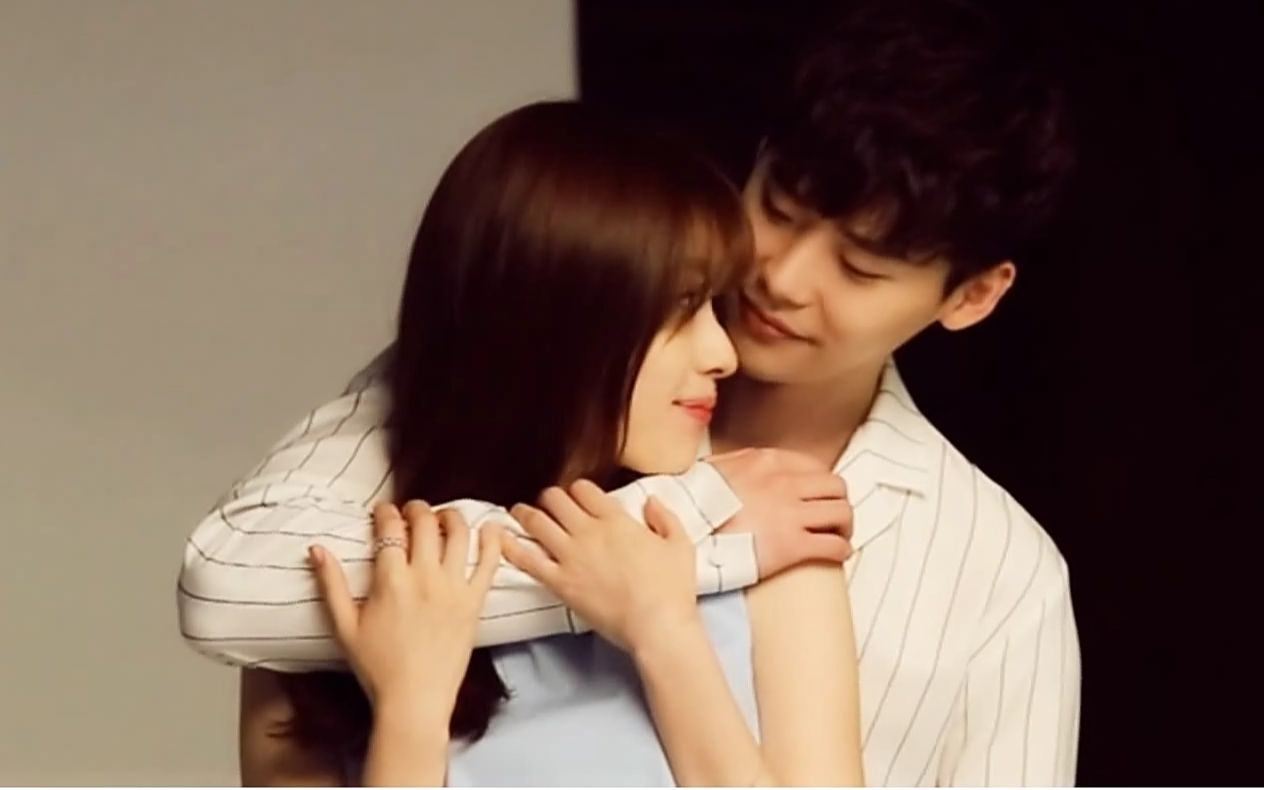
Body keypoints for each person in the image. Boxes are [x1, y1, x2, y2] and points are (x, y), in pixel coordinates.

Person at [182, 0, 1081, 784]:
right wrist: (686, 539)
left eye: (861, 267)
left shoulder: (996, 579)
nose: (780, 277)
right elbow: (228, 585)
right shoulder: (512, 378)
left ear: (972, 296)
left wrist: (663, 611)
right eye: (779, 207)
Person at [226, 100, 862, 786]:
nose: (723, 354)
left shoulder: (764, 546)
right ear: (556, 326)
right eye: (680, 309)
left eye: (715, 306)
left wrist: (667, 637)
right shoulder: (337, 602)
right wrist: (411, 714)